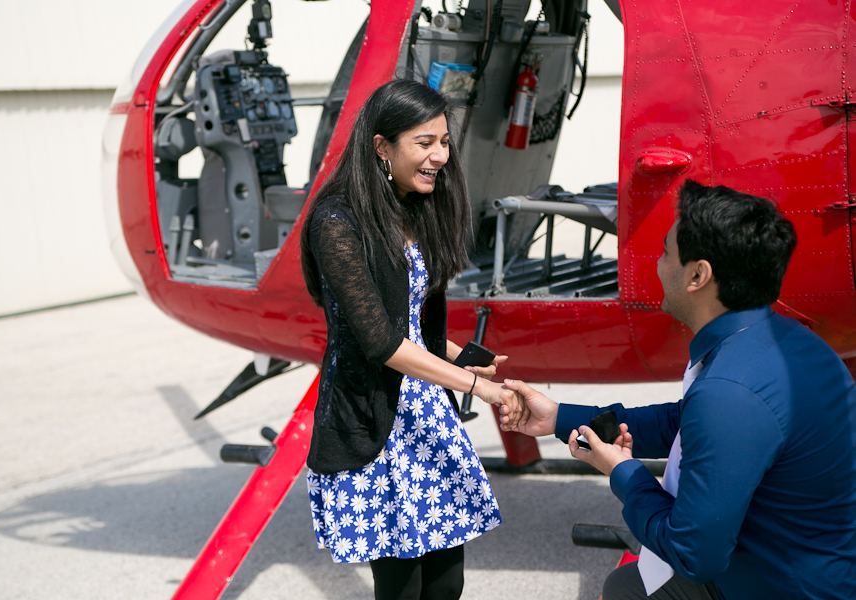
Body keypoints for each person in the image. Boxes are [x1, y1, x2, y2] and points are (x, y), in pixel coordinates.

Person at [500, 180, 856, 600]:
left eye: (666, 251)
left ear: (698, 275)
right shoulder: (778, 341)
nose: (658, 263)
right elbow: (686, 422)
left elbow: (694, 554)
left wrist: (623, 473)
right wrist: (560, 417)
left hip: (782, 586)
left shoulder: (730, 391)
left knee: (622, 592)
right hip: (810, 568)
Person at [299, 79, 521, 600]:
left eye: (444, 141)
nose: (440, 156)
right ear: (382, 147)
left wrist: (465, 359)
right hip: (374, 418)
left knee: (447, 584)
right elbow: (380, 341)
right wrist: (475, 386)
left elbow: (411, 324)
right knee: (403, 587)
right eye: (425, 143)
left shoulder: (414, 207)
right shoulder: (336, 222)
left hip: (426, 412)